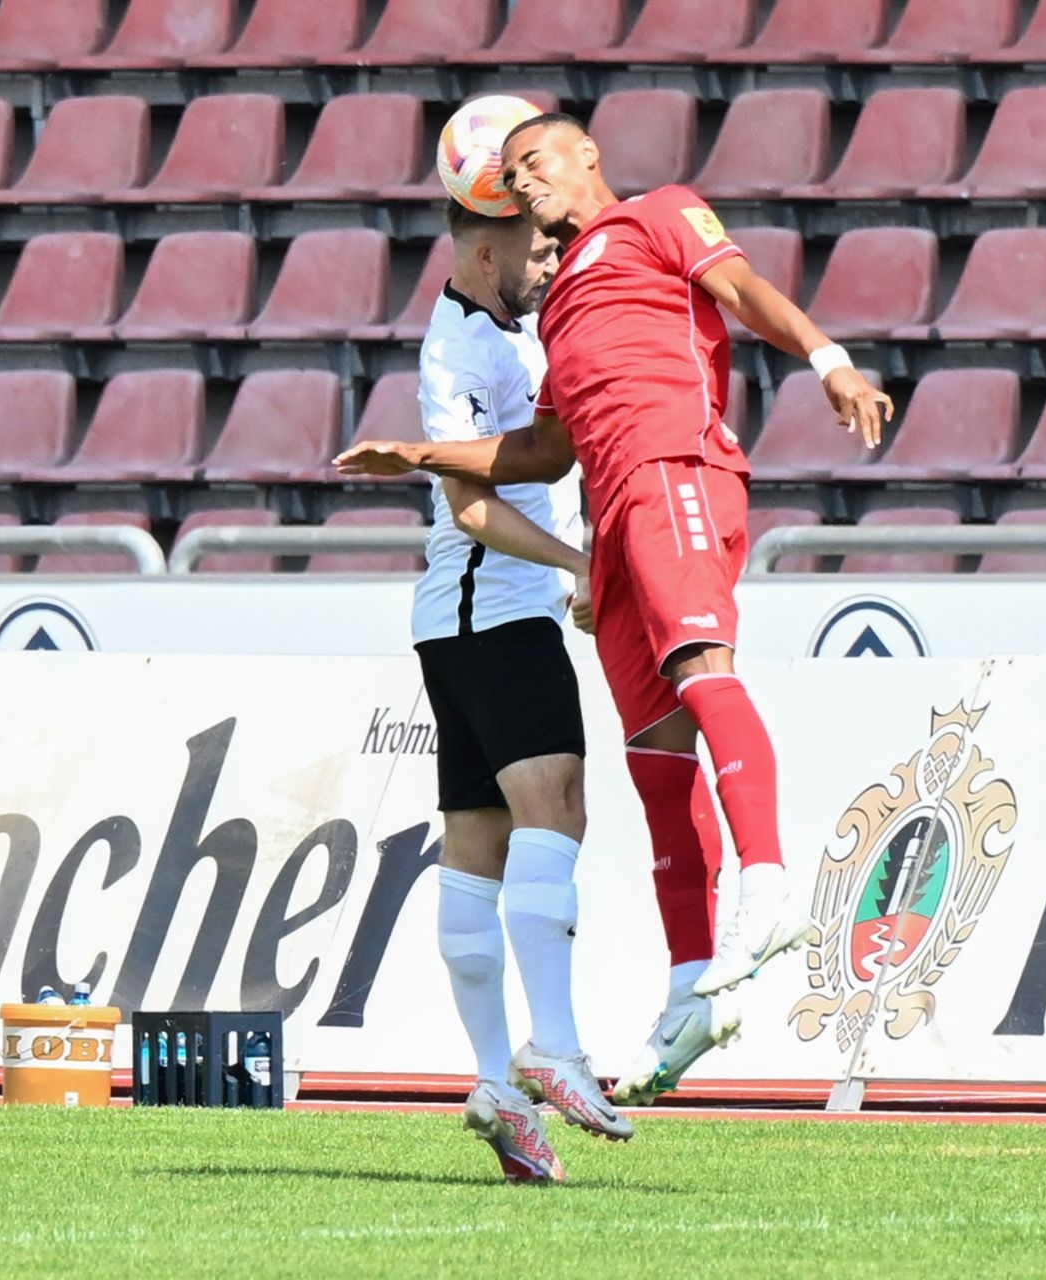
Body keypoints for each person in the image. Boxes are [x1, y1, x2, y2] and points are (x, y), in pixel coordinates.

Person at [338, 113, 894, 1105]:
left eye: (536, 161)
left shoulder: (658, 217)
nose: (525, 181)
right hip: (613, 519)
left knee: (702, 672)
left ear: (588, 154)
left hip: (673, 467)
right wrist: (421, 455)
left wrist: (828, 358)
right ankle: (691, 986)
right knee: (653, 751)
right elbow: (542, 453)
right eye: (512, 174)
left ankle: (767, 885)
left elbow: (746, 292)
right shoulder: (554, 309)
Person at [417, 198, 632, 1183]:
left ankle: (498, 1083)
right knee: (559, 806)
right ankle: (556, 1045)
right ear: (485, 252)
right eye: (539, 249)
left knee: (478, 844)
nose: (550, 262)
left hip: (460, 621)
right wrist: (574, 562)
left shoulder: (507, 329)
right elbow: (470, 507)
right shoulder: (460, 350)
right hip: (494, 611)